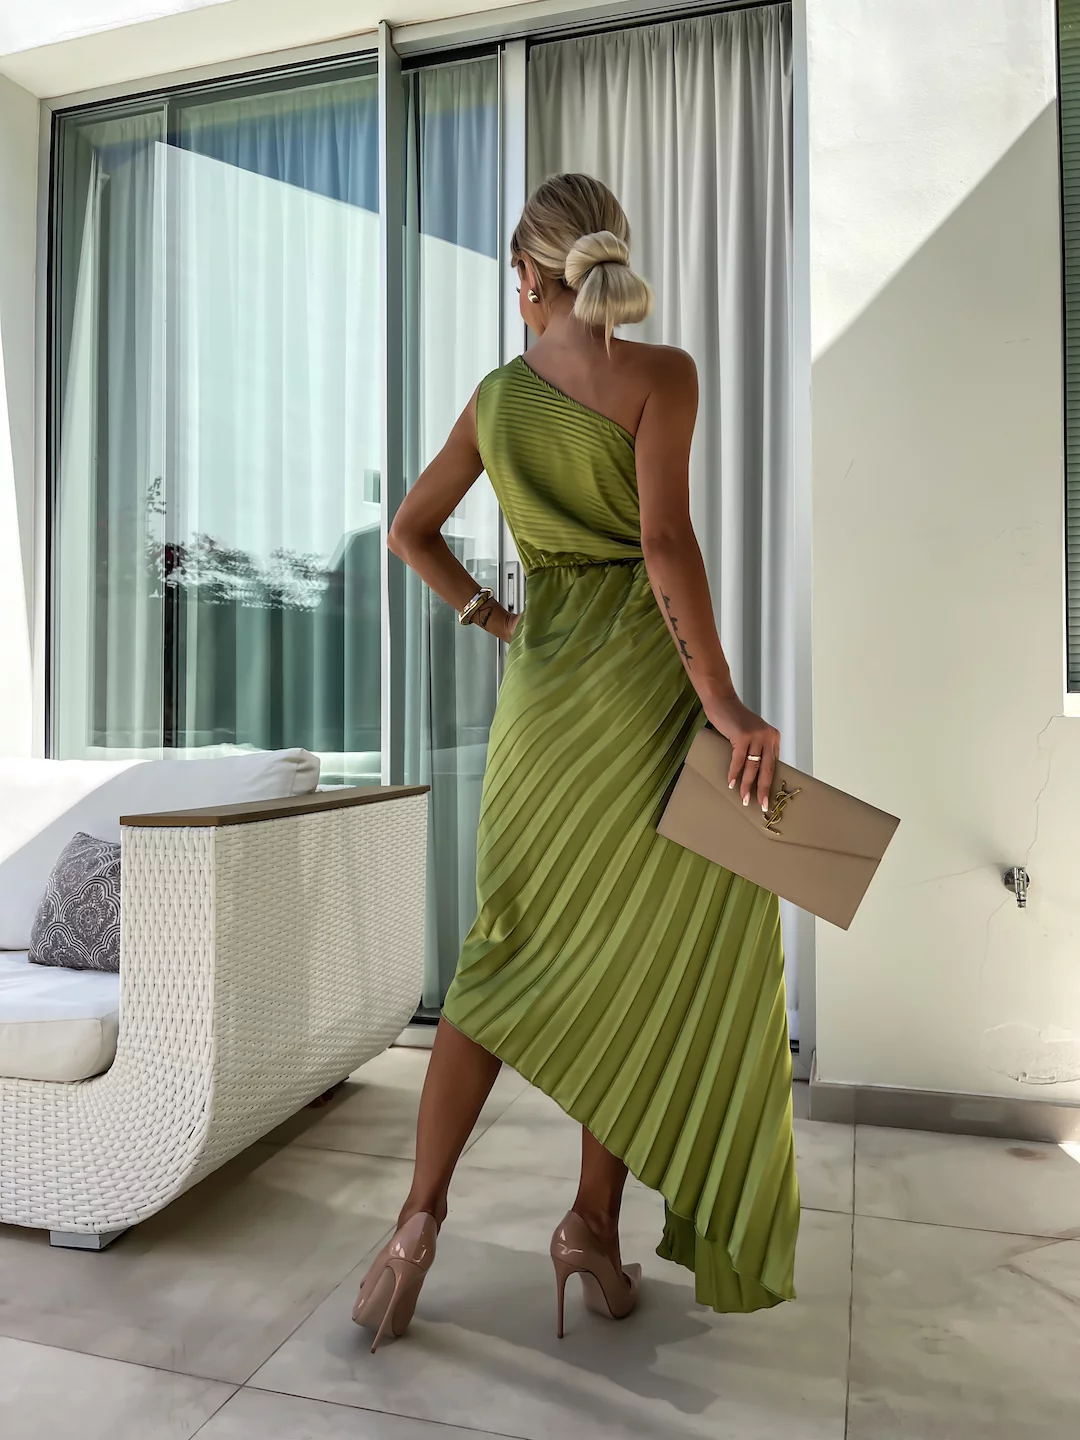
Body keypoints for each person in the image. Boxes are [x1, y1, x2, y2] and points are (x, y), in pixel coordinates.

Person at [352, 172, 799, 1353]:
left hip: (544, 711)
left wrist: (498, 622)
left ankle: (414, 1226)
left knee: (503, 952)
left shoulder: (496, 400)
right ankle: (590, 1226)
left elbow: (409, 530)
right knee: (637, 956)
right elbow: (662, 544)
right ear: (603, 262)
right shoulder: (662, 375)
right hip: (643, 703)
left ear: (529, 278)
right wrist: (730, 706)